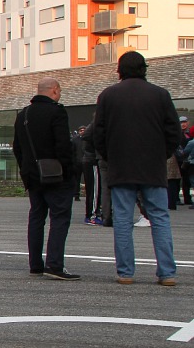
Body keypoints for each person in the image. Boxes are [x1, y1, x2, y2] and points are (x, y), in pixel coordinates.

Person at [92, 51, 181, 286]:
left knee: (122, 219)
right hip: (153, 167)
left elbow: (98, 133)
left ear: (119, 70)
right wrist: (162, 154)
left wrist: (110, 156)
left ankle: (126, 272)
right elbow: (174, 132)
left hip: (121, 166)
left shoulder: (108, 96)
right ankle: (167, 272)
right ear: (144, 68)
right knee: (159, 218)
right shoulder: (160, 95)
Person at [12, 78, 78, 279]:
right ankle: (55, 265)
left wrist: (26, 169)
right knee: (59, 217)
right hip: (55, 175)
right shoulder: (57, 112)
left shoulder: (23, 114)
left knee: (36, 217)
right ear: (55, 91)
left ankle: (36, 264)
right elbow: (63, 146)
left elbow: (17, 147)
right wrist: (69, 171)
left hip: (32, 175)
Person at [79, 122, 101, 225]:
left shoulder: (92, 126)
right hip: (92, 160)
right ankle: (92, 215)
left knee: (93, 189)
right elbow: (86, 136)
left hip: (89, 159)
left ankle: (93, 213)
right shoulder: (95, 125)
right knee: (94, 189)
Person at [179, 116, 193, 207]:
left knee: (187, 180)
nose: (183, 124)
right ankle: (176, 198)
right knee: (177, 181)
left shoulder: (190, 134)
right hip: (180, 160)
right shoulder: (178, 134)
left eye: (184, 122)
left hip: (188, 162)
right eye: (181, 122)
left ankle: (187, 198)